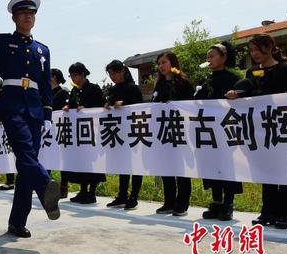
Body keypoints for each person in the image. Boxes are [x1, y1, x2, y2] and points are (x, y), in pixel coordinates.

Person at [0, 0, 61, 238]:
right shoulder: (2, 41)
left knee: (25, 164)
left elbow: (45, 84)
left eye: (31, 13)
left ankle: (17, 221)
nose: (28, 17)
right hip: (11, 106)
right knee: (26, 154)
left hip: (35, 110)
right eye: (23, 13)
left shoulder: (43, 50)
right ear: (14, 17)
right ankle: (46, 186)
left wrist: (48, 115)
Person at [225, 34, 287, 229]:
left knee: (286, 171)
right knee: (267, 172)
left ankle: (284, 214)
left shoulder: (285, 71)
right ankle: (267, 212)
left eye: (257, 49)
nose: (254, 54)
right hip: (261, 131)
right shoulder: (250, 74)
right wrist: (237, 95)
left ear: (270, 47)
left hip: (283, 128)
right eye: (251, 50)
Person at [193, 42, 243, 221]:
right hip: (208, 130)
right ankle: (215, 202)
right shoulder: (205, 81)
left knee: (227, 166)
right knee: (212, 166)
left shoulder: (233, 79)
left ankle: (228, 204)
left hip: (227, 129)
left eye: (213, 55)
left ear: (223, 57)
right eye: (208, 56)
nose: (209, 59)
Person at [152, 51, 195, 216]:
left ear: (173, 63)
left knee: (181, 168)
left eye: (164, 62)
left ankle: (182, 203)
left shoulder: (184, 84)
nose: (161, 66)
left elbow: (191, 106)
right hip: (163, 132)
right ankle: (169, 202)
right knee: (166, 167)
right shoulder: (159, 85)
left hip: (181, 132)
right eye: (159, 63)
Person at [62, 62, 105, 204]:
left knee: (92, 162)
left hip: (92, 131)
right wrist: (69, 107)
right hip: (79, 133)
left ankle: (91, 193)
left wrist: (87, 108)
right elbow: (73, 105)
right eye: (71, 75)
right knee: (81, 162)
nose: (73, 78)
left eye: (75, 75)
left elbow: (101, 106)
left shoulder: (94, 88)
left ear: (82, 74)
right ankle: (83, 191)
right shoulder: (74, 91)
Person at [103, 60, 144, 210]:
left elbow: (140, 107)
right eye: (110, 74)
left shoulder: (133, 88)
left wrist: (125, 103)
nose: (112, 76)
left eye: (114, 73)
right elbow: (109, 101)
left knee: (135, 165)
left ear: (122, 71)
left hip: (134, 131)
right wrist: (107, 104)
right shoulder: (113, 89)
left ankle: (134, 196)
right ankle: (122, 195)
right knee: (123, 165)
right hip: (119, 132)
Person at [51, 68, 70, 198]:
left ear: (54, 77)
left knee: (63, 159)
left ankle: (64, 187)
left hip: (60, 129)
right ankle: (46, 185)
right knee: (46, 157)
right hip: (47, 130)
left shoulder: (63, 93)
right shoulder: (45, 92)